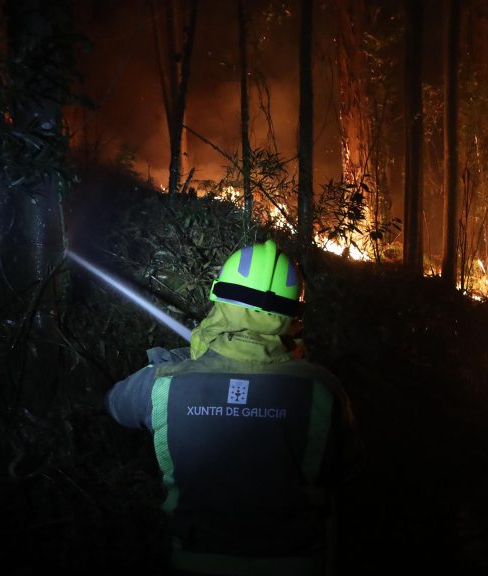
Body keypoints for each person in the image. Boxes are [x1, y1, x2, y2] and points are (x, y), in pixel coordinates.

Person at [105, 238, 355, 576]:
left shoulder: (162, 381)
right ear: (295, 315)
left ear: (219, 299)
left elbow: (115, 403)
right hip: (295, 563)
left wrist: (178, 362)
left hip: (195, 562)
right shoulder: (323, 389)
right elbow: (346, 466)